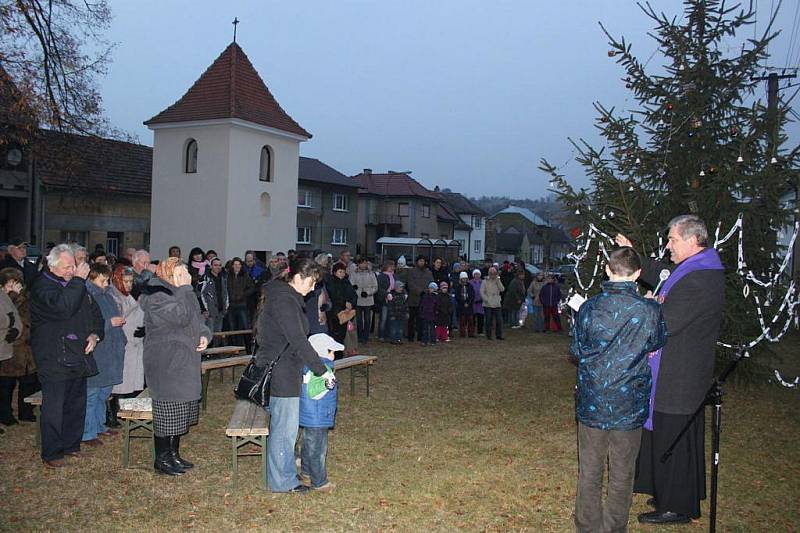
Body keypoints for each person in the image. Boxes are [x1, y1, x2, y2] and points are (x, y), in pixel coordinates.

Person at [617, 215, 725, 524]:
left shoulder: (700, 278)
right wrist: (634, 254)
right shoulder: (691, 269)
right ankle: (668, 490)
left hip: (681, 372)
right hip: (675, 368)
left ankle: (676, 505)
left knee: (674, 437)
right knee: (665, 433)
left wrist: (649, 306)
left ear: (693, 241)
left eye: (673, 240)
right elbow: (660, 273)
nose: (667, 245)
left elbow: (668, 322)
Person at [571, 247, 667, 533]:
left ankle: (588, 527)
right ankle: (614, 528)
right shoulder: (650, 310)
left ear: (608, 271)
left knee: (590, 470)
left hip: (593, 401)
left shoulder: (589, 307)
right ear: (638, 274)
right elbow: (657, 342)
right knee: (623, 472)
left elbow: (577, 349)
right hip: (629, 402)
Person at [254, 258, 334, 493]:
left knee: (285, 428)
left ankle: (285, 473)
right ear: (297, 278)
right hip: (281, 373)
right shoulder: (284, 300)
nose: (312, 288)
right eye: (311, 282)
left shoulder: (283, 296)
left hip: (284, 369)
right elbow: (297, 339)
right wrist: (321, 370)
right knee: (284, 430)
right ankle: (283, 482)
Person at [30, 244, 104, 468]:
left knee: (76, 402)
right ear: (52, 266)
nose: (72, 270)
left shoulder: (75, 286)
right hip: (54, 355)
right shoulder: (43, 286)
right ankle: (52, 452)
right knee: (55, 405)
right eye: (67, 266)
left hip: (77, 354)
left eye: (74, 265)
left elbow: (94, 314)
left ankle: (71, 445)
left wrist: (94, 335)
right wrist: (78, 281)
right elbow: (63, 307)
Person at [140, 257, 211, 476]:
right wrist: (186, 289)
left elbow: (197, 321)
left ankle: (173, 454)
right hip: (166, 363)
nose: (186, 277)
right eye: (180, 274)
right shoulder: (155, 296)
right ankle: (162, 459)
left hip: (184, 361)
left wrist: (204, 336)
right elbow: (178, 317)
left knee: (180, 411)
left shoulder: (182, 293)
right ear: (168, 275)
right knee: (168, 411)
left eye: (186, 273)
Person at [82, 264, 126, 447]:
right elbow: (89, 323)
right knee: (91, 393)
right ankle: (87, 432)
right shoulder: (87, 295)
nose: (106, 283)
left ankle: (99, 425)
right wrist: (110, 323)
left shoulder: (106, 294)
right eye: (103, 280)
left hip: (111, 349)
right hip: (98, 351)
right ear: (93, 277)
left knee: (103, 392)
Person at [299, 333, 340, 492]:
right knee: (318, 449)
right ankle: (319, 481)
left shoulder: (306, 366)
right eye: (332, 351)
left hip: (309, 414)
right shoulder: (323, 369)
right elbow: (313, 391)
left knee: (308, 444)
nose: (334, 354)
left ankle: (306, 471)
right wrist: (327, 385)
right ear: (324, 352)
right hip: (318, 414)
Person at [0, 268, 38, 426]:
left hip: (27, 350)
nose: (14, 287)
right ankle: (5, 414)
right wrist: (13, 296)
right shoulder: (4, 300)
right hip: (11, 348)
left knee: (28, 382)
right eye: (10, 284)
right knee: (6, 384)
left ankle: (26, 411)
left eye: (16, 283)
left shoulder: (28, 298)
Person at [108, 265, 145, 425]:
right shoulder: (114, 297)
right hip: (124, 345)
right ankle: (113, 413)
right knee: (120, 383)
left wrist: (144, 329)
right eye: (126, 281)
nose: (129, 284)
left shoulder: (128, 296)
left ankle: (128, 412)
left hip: (135, 344)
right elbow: (118, 319)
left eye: (131, 281)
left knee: (132, 380)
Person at [325, 263, 357, 350]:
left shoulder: (346, 281)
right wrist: (344, 303)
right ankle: (334, 353)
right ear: (335, 272)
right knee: (334, 334)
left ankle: (340, 352)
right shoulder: (330, 282)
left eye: (343, 272)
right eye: (340, 272)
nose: (342, 274)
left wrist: (351, 303)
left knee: (342, 334)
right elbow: (333, 296)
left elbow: (353, 294)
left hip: (346, 312)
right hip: (334, 313)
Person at [199, 258, 228, 343]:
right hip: (210, 312)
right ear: (211, 266)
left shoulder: (223, 278)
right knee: (209, 333)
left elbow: (226, 294)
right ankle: (207, 353)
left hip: (220, 311)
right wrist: (204, 309)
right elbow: (199, 294)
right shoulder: (205, 278)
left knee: (218, 333)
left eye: (219, 265)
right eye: (215, 265)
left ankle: (216, 353)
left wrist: (226, 307)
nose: (218, 267)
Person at [349, 258, 377, 344]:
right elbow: (352, 285)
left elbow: (375, 286)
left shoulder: (371, 274)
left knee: (368, 319)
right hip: (358, 299)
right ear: (358, 264)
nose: (364, 265)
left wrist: (368, 293)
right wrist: (359, 293)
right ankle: (360, 336)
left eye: (365, 263)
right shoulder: (354, 274)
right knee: (359, 319)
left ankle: (366, 336)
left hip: (368, 299)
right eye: (362, 263)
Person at [406, 255, 433, 342]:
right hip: (414, 299)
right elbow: (410, 284)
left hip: (425, 299)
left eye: (423, 261)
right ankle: (410, 336)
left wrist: (426, 292)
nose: (422, 262)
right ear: (417, 262)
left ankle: (420, 336)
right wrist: (419, 291)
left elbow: (431, 283)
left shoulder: (428, 272)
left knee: (421, 319)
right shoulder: (411, 271)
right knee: (412, 319)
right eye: (420, 261)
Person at [480, 267, 504, 341]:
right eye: (492, 274)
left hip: (497, 303)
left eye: (494, 274)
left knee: (499, 320)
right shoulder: (484, 281)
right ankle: (489, 335)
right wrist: (486, 300)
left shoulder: (498, 280)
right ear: (489, 274)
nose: (493, 275)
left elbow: (502, 289)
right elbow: (481, 292)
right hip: (488, 304)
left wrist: (498, 281)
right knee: (488, 320)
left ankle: (499, 335)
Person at [375, 261, 395, 341]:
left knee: (390, 318)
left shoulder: (394, 275)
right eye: (390, 266)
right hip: (384, 299)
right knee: (383, 318)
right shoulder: (381, 276)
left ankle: (388, 334)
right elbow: (379, 288)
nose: (392, 267)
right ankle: (381, 335)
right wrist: (386, 294)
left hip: (392, 299)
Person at [455, 271, 476, 338]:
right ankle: (462, 333)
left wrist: (468, 303)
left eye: (465, 278)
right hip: (461, 306)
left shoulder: (470, 286)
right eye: (463, 278)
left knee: (471, 320)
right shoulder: (458, 287)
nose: (464, 280)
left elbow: (472, 296)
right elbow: (457, 296)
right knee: (462, 321)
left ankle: (471, 333)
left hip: (469, 306)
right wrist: (463, 303)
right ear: (460, 279)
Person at [418, 282, 439, 346]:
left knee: (432, 329)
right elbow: (421, 305)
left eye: (432, 288)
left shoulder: (436, 297)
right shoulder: (425, 296)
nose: (431, 289)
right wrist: (421, 313)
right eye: (430, 288)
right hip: (425, 315)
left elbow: (437, 306)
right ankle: (424, 341)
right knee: (425, 329)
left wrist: (436, 313)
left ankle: (433, 341)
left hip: (432, 315)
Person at [469, 269, 484, 335]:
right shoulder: (470, 282)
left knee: (481, 317)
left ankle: (480, 331)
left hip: (481, 302)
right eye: (475, 274)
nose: (477, 275)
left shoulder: (483, 282)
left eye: (478, 274)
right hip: (473, 302)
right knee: (473, 318)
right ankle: (472, 331)